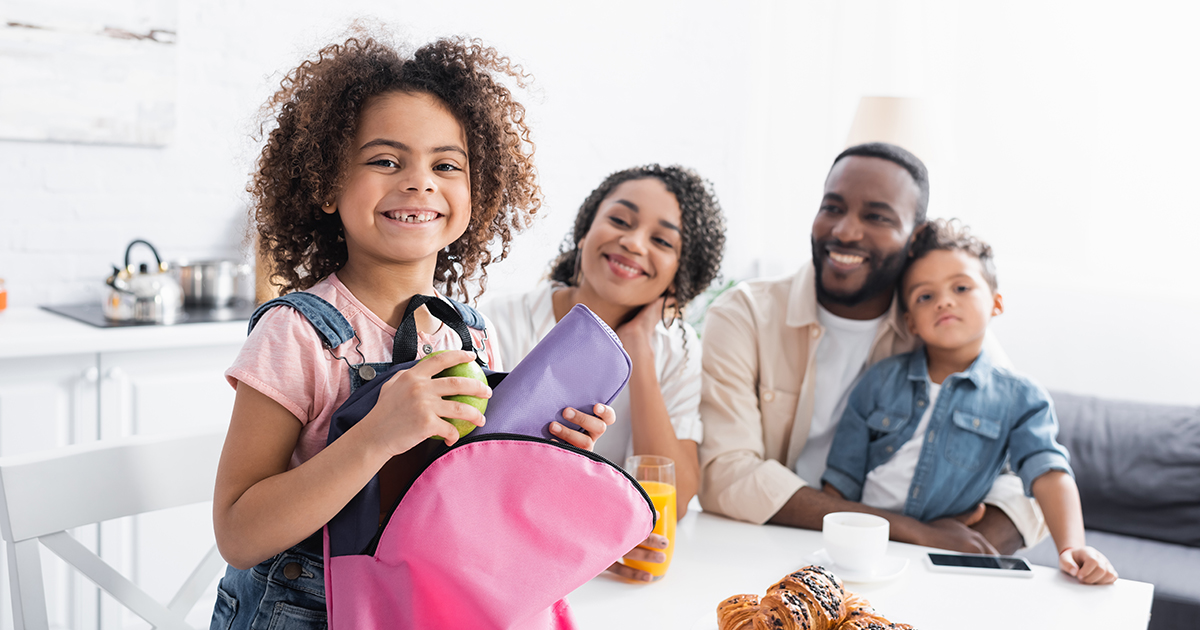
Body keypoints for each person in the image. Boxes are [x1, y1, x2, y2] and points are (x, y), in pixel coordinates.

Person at [210, 34, 616, 629]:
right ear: (325, 184)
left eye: (446, 165)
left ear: (476, 194)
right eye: (385, 160)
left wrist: (544, 452)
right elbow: (238, 533)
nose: (420, 182)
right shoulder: (297, 333)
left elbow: (465, 506)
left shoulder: (472, 337)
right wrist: (376, 436)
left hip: (418, 608)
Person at [698, 142, 1043, 555]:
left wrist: (955, 548)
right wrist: (907, 531)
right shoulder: (745, 315)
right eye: (833, 207)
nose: (845, 231)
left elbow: (1033, 472)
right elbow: (726, 476)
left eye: (876, 216)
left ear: (914, 239)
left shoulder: (935, 319)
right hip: (760, 545)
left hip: (889, 562)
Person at [822, 219, 1117, 584]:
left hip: (940, 560)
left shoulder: (1020, 397)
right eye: (925, 296)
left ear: (996, 303)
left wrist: (1071, 548)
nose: (944, 300)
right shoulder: (879, 380)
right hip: (868, 551)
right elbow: (840, 481)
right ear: (911, 322)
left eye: (961, 287)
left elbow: (1048, 471)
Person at [483, 164, 726, 581]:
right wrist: (591, 530)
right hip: (503, 561)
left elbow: (676, 499)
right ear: (584, 231)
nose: (632, 242)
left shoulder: (676, 352)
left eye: (662, 240)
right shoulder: (498, 323)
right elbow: (478, 477)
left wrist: (638, 352)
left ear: (679, 274)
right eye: (619, 220)